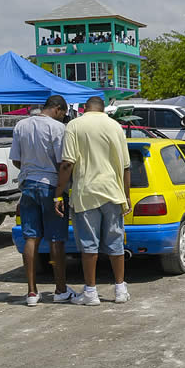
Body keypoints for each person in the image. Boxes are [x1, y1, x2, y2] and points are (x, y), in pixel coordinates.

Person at [54, 96, 131, 305]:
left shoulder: (74, 126)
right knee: (115, 244)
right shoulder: (115, 127)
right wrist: (127, 195)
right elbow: (126, 166)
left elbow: (67, 164)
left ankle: (90, 292)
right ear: (103, 109)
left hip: (86, 193)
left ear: (85, 108)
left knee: (89, 245)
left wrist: (58, 193)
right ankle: (120, 289)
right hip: (113, 192)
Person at [9, 95, 75, 306]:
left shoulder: (21, 125)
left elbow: (16, 160)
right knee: (56, 239)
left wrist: (32, 170)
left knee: (31, 237)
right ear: (57, 109)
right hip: (51, 186)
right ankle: (60, 289)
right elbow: (61, 163)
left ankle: (31, 292)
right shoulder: (57, 129)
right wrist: (62, 189)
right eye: (63, 114)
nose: (63, 118)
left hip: (28, 184)